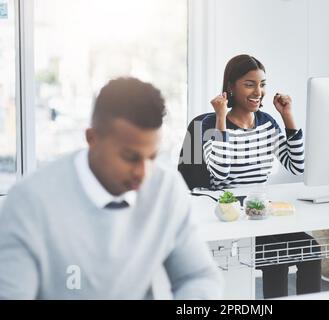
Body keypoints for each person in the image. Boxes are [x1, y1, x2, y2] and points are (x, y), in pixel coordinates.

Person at [0, 77, 223, 299]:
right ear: (92, 139)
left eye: (151, 157)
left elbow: (198, 276)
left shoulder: (165, 189)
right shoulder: (29, 203)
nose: (142, 173)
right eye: (130, 157)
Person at [181, 54, 321, 298]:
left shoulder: (266, 123)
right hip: (229, 217)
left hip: (260, 212)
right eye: (249, 84)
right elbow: (221, 172)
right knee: (277, 256)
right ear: (230, 88)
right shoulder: (209, 125)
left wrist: (287, 116)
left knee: (312, 249)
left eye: (262, 84)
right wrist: (221, 119)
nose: (259, 91)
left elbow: (296, 165)